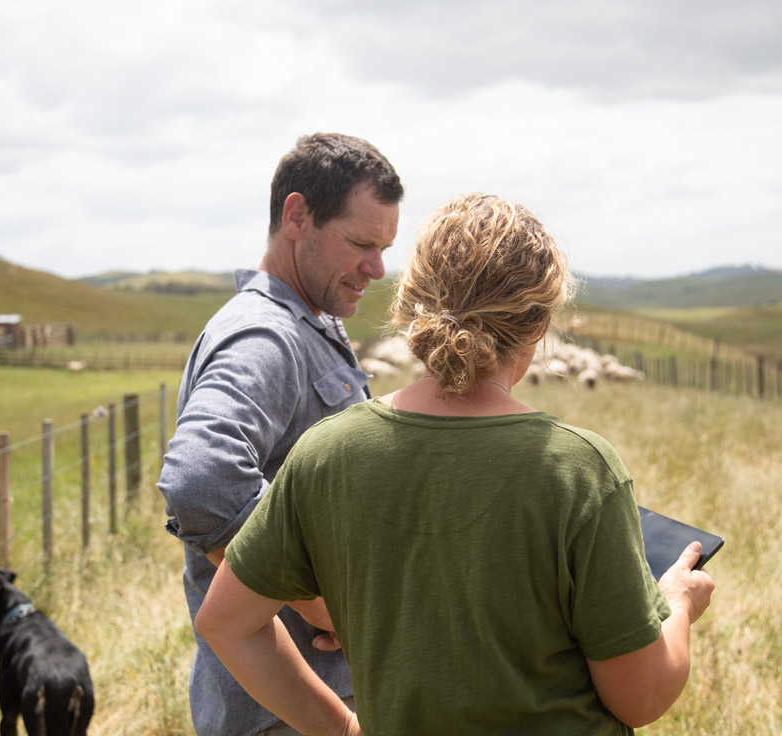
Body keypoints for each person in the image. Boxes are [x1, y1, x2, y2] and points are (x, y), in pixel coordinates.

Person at [195, 193, 716, 735]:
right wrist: (677, 605)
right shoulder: (578, 470)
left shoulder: (327, 454)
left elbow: (226, 623)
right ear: (538, 324)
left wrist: (343, 729)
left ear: (411, 302)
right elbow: (642, 697)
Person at [157, 133, 404, 736]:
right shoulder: (264, 336)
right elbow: (200, 481)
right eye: (361, 244)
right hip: (281, 717)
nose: (376, 268)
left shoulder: (308, 321)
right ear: (297, 216)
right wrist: (316, 598)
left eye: (384, 248)